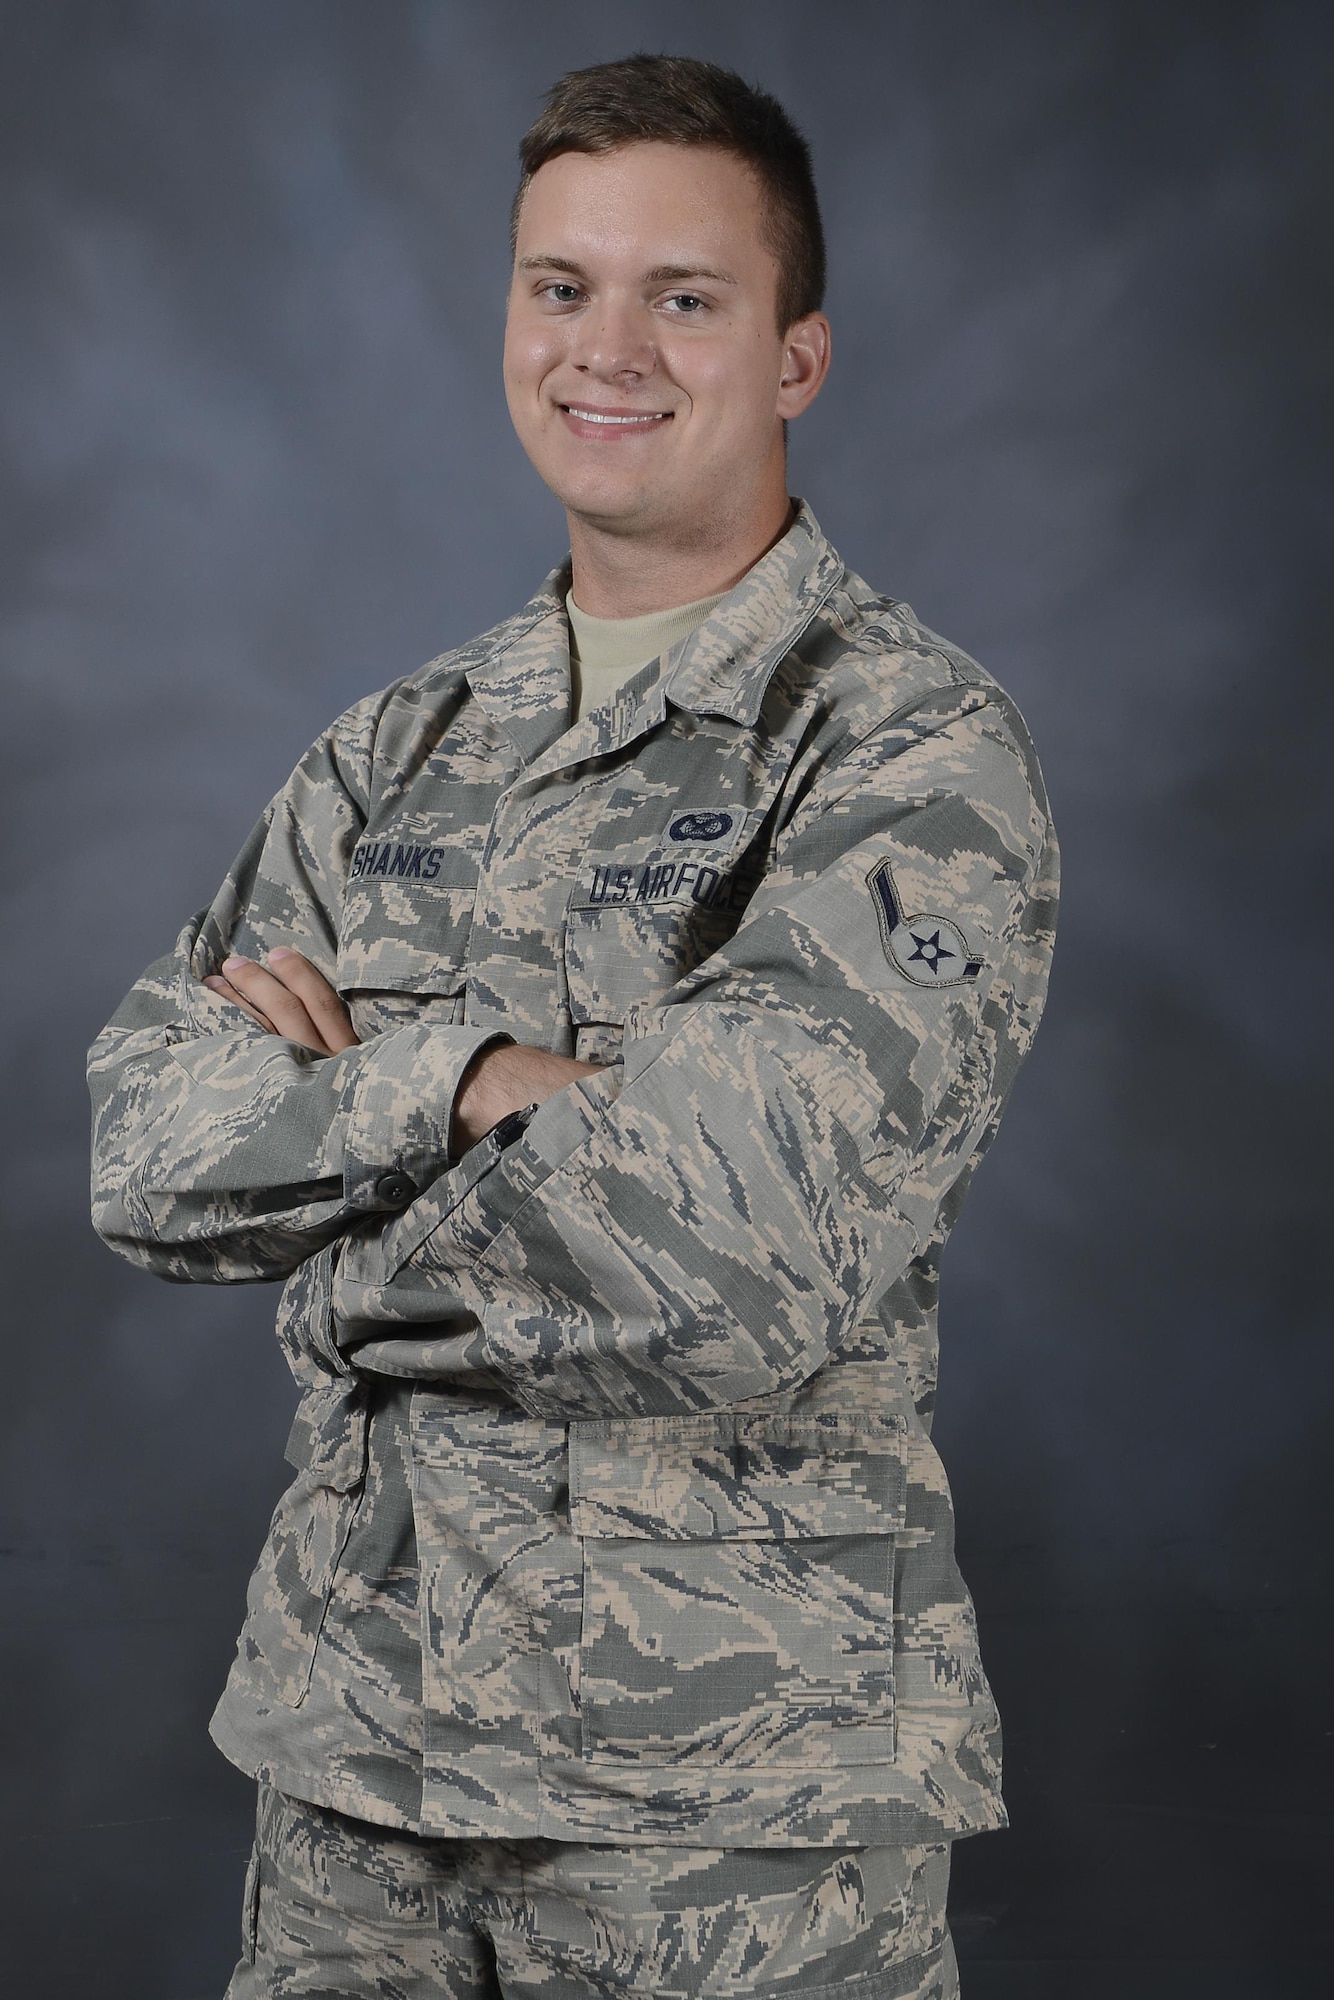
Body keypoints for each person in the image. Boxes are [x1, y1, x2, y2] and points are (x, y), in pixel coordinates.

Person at [89, 53, 1057, 2000]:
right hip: (355, 1781)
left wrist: (328, 1205)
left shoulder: (903, 750)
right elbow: (139, 1152)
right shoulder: (396, 751)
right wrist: (459, 1081)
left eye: (680, 296)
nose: (603, 348)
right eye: (559, 286)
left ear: (795, 354)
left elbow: (733, 1258)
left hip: (726, 1826)